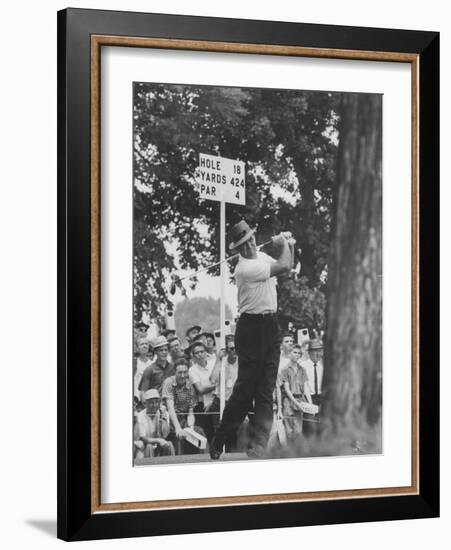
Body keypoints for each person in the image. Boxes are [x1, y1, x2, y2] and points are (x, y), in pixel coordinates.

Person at [210, 220, 294, 459]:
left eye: (250, 241)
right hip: (249, 327)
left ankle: (259, 444)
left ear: (255, 238)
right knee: (245, 390)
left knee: (266, 387)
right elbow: (284, 265)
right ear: (237, 249)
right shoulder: (243, 268)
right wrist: (283, 244)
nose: (249, 247)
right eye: (243, 245)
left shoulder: (264, 257)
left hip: (269, 326)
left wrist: (290, 243)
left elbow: (287, 265)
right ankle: (221, 438)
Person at [162, 358, 206, 454]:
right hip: (168, 419)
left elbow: (190, 412)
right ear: (175, 372)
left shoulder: (190, 385)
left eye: (185, 372)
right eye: (180, 372)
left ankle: (204, 459)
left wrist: (191, 427)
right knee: (179, 435)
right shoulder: (168, 382)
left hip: (183, 419)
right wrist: (178, 428)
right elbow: (170, 408)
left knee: (198, 431)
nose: (183, 376)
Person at [188, 341, 222, 443]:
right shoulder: (192, 370)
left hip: (219, 401)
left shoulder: (214, 363)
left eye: (202, 351)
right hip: (206, 406)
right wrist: (217, 385)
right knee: (212, 435)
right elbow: (201, 390)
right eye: (197, 353)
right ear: (193, 356)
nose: (200, 354)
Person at [279, 344, 313, 443]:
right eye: (294, 352)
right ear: (289, 354)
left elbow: (306, 387)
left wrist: (309, 403)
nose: (297, 355)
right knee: (289, 430)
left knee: (298, 430)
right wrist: (295, 402)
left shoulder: (303, 370)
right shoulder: (285, 370)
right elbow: (287, 389)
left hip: (300, 400)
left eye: (299, 353)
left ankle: (296, 453)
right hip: (288, 401)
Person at [134, 389, 174, 459]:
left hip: (159, 445)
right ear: (145, 404)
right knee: (149, 447)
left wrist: (162, 418)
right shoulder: (140, 416)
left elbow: (165, 435)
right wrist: (158, 440)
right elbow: (143, 438)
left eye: (157, 402)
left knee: (169, 444)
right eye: (151, 402)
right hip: (145, 445)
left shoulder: (164, 413)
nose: (154, 405)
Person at [301, 338, 324, 407]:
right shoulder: (303, 366)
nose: (318, 354)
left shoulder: (323, 365)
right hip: (308, 398)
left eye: (320, 351)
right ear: (309, 352)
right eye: (315, 351)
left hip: (321, 398)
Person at [133, 337, 153, 410]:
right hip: (137, 400)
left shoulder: (152, 363)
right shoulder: (134, 363)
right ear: (137, 348)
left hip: (150, 399)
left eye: (146, 344)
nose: (144, 346)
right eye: (142, 344)